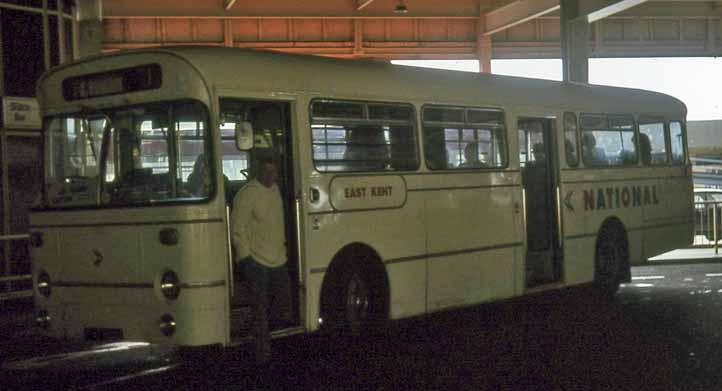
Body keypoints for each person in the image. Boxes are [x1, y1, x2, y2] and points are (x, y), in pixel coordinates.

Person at [231, 155, 291, 364]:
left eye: (273, 172)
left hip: (278, 259)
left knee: (282, 304)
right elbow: (237, 229)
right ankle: (262, 356)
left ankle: (266, 343)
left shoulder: (275, 190)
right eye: (266, 172)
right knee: (260, 310)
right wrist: (246, 259)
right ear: (258, 172)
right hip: (257, 262)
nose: (270, 176)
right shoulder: (247, 194)